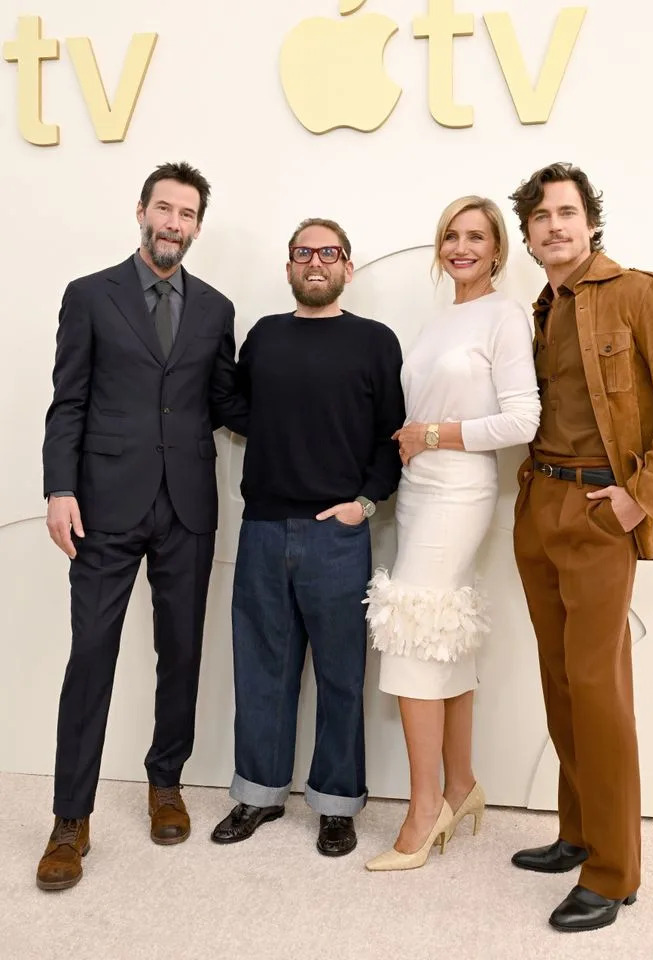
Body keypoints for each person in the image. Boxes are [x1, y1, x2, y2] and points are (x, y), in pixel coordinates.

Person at [508, 162, 653, 932]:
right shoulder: (539, 310)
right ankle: (578, 832)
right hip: (540, 502)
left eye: (566, 212)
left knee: (598, 687)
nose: (554, 226)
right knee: (561, 682)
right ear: (528, 236)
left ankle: (614, 871)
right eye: (541, 217)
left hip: (601, 510)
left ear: (590, 221)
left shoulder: (636, 294)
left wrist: (642, 495)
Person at [37, 162, 249, 891]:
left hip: (188, 505)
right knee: (91, 654)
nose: (173, 223)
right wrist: (60, 487)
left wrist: (310, 406)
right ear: (141, 211)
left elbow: (226, 403)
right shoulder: (89, 295)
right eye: (164, 209)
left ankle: (166, 782)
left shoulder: (217, 308)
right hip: (103, 506)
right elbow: (68, 400)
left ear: (197, 227)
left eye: (186, 214)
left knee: (181, 651)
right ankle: (70, 819)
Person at [210, 218, 404, 857]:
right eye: (303, 253)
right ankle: (259, 794)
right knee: (261, 669)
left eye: (328, 252)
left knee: (342, 675)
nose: (315, 262)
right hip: (264, 528)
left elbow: (391, 435)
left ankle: (337, 804)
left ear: (347, 266)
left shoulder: (375, 341)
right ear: (289, 266)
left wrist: (364, 504)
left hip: (337, 534)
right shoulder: (265, 335)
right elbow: (234, 405)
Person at [363, 196, 540, 871]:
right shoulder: (439, 321)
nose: (461, 247)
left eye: (476, 237)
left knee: (411, 629)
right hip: (419, 490)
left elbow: (522, 420)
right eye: (451, 236)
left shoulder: (504, 316)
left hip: (460, 489)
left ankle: (424, 809)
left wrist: (434, 434)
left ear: (497, 250)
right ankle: (461, 786)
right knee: (443, 632)